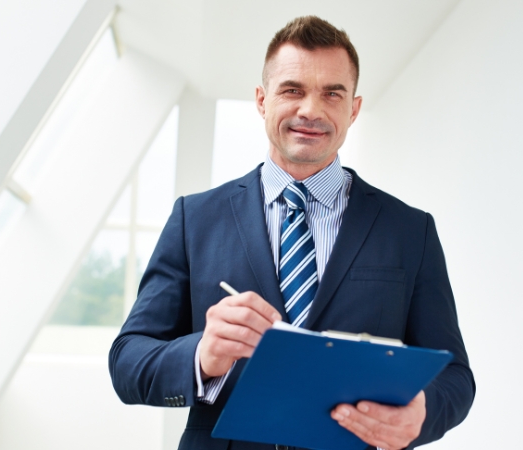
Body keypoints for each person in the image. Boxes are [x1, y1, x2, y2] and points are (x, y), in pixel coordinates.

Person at [109, 15, 474, 450]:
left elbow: (455, 376)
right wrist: (203, 354)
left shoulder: (411, 231)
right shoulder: (196, 218)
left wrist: (422, 414)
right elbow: (128, 362)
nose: (311, 111)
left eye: (332, 93)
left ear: (353, 109)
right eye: (292, 90)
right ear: (262, 100)